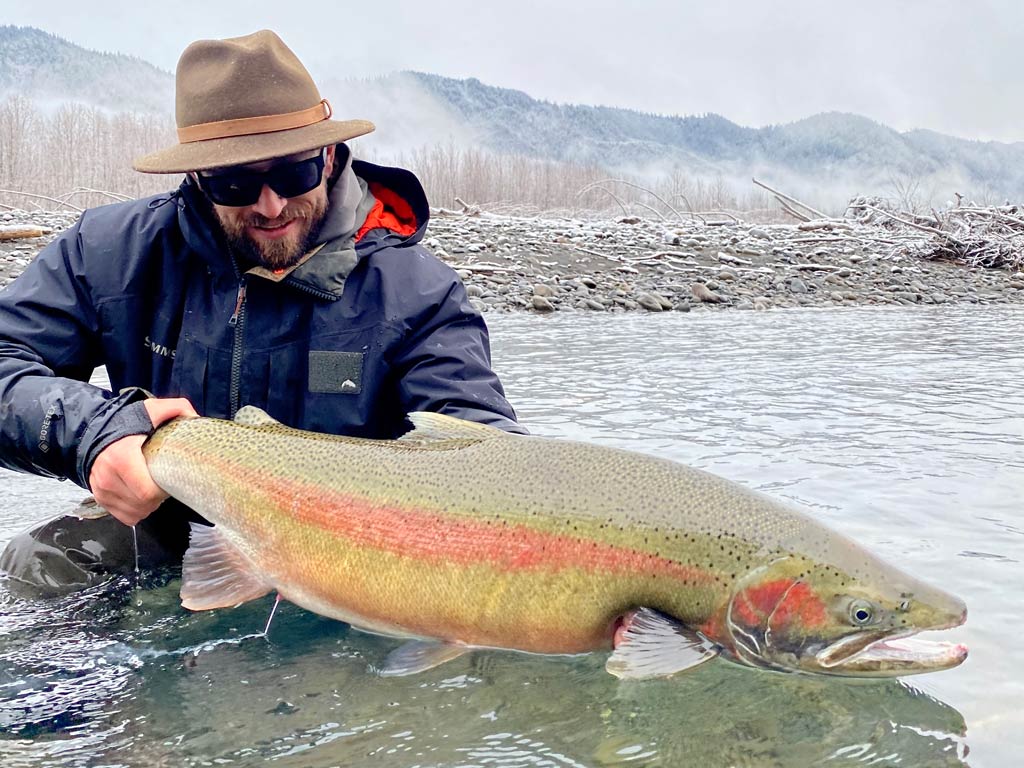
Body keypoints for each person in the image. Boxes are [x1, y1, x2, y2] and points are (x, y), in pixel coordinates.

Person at [0, 30, 523, 591]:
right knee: (34, 563)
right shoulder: (110, 253)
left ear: (327, 157)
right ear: (198, 179)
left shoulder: (417, 293)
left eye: (292, 173)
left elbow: (480, 448)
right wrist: (98, 433)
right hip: (170, 521)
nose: (270, 205)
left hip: (349, 545)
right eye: (235, 183)